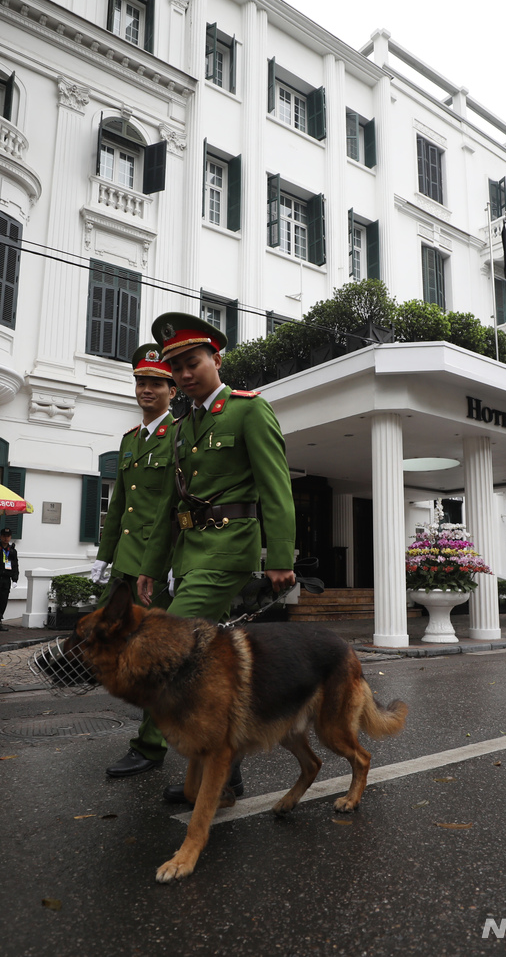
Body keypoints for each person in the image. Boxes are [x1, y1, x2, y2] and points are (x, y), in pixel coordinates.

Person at [137, 312, 296, 805]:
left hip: (229, 550)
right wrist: (149, 564)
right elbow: (170, 504)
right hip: (189, 555)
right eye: (177, 368)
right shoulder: (183, 426)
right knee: (212, 666)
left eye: (193, 362)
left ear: (216, 359)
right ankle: (227, 774)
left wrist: (280, 557)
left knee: (168, 645)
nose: (185, 374)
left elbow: (277, 488)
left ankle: (190, 759)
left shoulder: (248, 410)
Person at [92, 343, 177, 778]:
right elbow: (120, 504)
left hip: (158, 567)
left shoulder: (181, 434)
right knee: (113, 644)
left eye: (155, 383)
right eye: (141, 382)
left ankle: (150, 744)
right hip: (126, 562)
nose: (146, 389)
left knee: (150, 656)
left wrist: (176, 561)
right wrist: (104, 558)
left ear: (172, 389)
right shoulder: (129, 441)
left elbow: (182, 505)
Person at [0, 527, 19, 632]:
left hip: (6, 579)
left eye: (8, 536)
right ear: (0, 536)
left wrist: (15, 579)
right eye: (4, 536)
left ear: (10, 537)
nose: (6, 538)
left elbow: (15, 565)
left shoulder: (12, 551)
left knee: (3, 601)